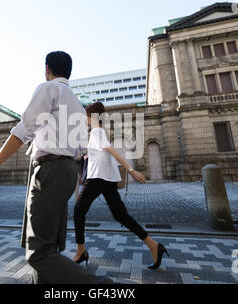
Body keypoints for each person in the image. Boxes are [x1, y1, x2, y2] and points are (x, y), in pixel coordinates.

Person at [0, 51, 112, 284]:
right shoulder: (78, 106)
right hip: (67, 171)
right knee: (47, 243)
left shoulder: (48, 89)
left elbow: (24, 129)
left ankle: (105, 287)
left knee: (38, 252)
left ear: (47, 68)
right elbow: (80, 148)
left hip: (49, 171)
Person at [73, 102, 170, 270]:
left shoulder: (96, 131)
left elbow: (110, 150)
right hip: (107, 179)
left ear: (92, 117)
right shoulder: (99, 132)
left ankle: (80, 251)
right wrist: (89, 157)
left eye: (86, 116)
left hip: (97, 179)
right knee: (121, 215)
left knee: (78, 210)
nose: (85, 119)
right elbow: (103, 154)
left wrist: (131, 170)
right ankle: (154, 245)